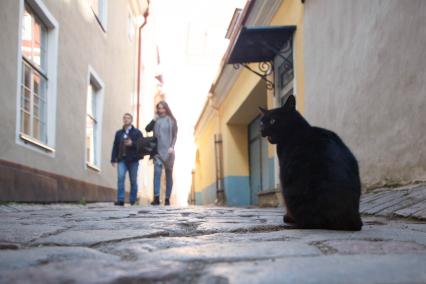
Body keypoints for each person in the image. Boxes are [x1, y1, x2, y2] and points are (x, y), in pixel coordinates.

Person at [145, 101, 178, 206]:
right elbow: (147, 129)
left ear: (166, 108)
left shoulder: (172, 121)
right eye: (159, 108)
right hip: (157, 152)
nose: (161, 110)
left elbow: (174, 136)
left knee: (169, 175)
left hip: (169, 152)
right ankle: (156, 198)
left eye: (163, 108)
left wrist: (172, 147)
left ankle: (167, 198)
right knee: (157, 174)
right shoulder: (156, 120)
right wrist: (154, 119)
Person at [111, 113, 143, 206]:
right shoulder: (119, 133)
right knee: (120, 178)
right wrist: (113, 159)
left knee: (133, 180)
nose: (126, 119)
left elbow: (141, 144)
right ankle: (120, 199)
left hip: (133, 160)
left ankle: (132, 199)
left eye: (128, 118)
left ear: (131, 120)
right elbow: (115, 146)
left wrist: (132, 143)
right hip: (122, 159)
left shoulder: (137, 132)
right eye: (124, 118)